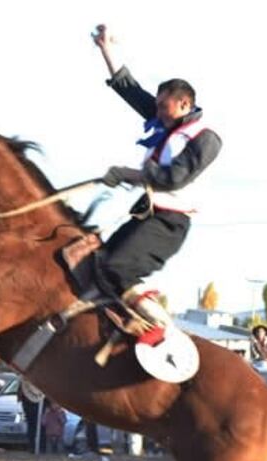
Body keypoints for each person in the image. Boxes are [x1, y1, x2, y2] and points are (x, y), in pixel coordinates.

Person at [91, 24, 222, 341]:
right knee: (98, 263)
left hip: (170, 222)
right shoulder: (166, 119)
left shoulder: (205, 138)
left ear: (185, 104)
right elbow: (129, 89)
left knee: (117, 268)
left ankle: (165, 333)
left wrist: (129, 173)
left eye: (164, 106)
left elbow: (173, 178)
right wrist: (106, 49)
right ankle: (121, 327)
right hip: (146, 213)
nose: (158, 111)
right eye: (158, 105)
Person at [20, 377, 45, 453]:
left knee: (41, 425)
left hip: (42, 401)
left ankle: (41, 447)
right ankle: (32, 446)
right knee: (31, 425)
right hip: (28, 402)